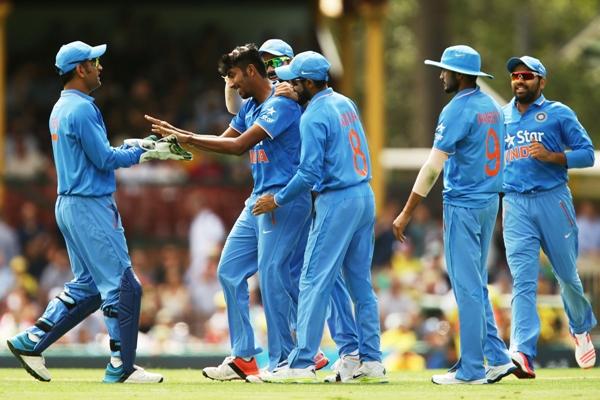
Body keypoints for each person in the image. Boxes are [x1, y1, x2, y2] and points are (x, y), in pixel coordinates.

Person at [5, 41, 178, 383]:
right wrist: (149, 154)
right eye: (95, 62)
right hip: (90, 204)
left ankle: (31, 341)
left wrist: (137, 145)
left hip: (70, 202)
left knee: (89, 288)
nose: (100, 67)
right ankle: (122, 367)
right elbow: (104, 160)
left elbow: (97, 153)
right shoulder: (82, 109)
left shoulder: (63, 106)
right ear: (80, 69)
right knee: (124, 286)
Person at [146, 43, 312, 380]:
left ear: (251, 71)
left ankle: (285, 361)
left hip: (282, 199)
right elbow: (224, 140)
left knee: (272, 276)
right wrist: (178, 143)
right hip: (258, 200)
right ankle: (244, 357)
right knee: (230, 270)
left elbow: (238, 147)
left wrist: (187, 136)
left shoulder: (281, 106)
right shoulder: (251, 107)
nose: (232, 84)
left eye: (233, 76)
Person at [252, 51, 387, 384]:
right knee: (360, 284)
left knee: (313, 279)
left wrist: (278, 199)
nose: (287, 85)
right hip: (364, 195)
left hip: (337, 199)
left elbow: (308, 173)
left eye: (293, 81)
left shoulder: (312, 116)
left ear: (309, 84)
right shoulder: (344, 103)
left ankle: (301, 363)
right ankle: (371, 360)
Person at [392, 45, 514, 385]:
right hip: (490, 201)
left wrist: (406, 212)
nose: (441, 74)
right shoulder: (491, 106)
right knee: (475, 284)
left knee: (466, 288)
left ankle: (472, 369)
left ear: (459, 75)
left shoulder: (456, 109)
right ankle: (499, 358)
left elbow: (433, 168)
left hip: (464, 204)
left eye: (445, 70)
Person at [502, 55, 597, 377]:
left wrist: (553, 156)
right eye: (515, 75)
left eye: (527, 76)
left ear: (541, 81)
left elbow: (587, 154)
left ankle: (580, 328)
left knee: (567, 276)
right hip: (514, 204)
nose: (520, 81)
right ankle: (522, 353)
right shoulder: (501, 117)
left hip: (552, 199)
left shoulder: (558, 113)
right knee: (523, 281)